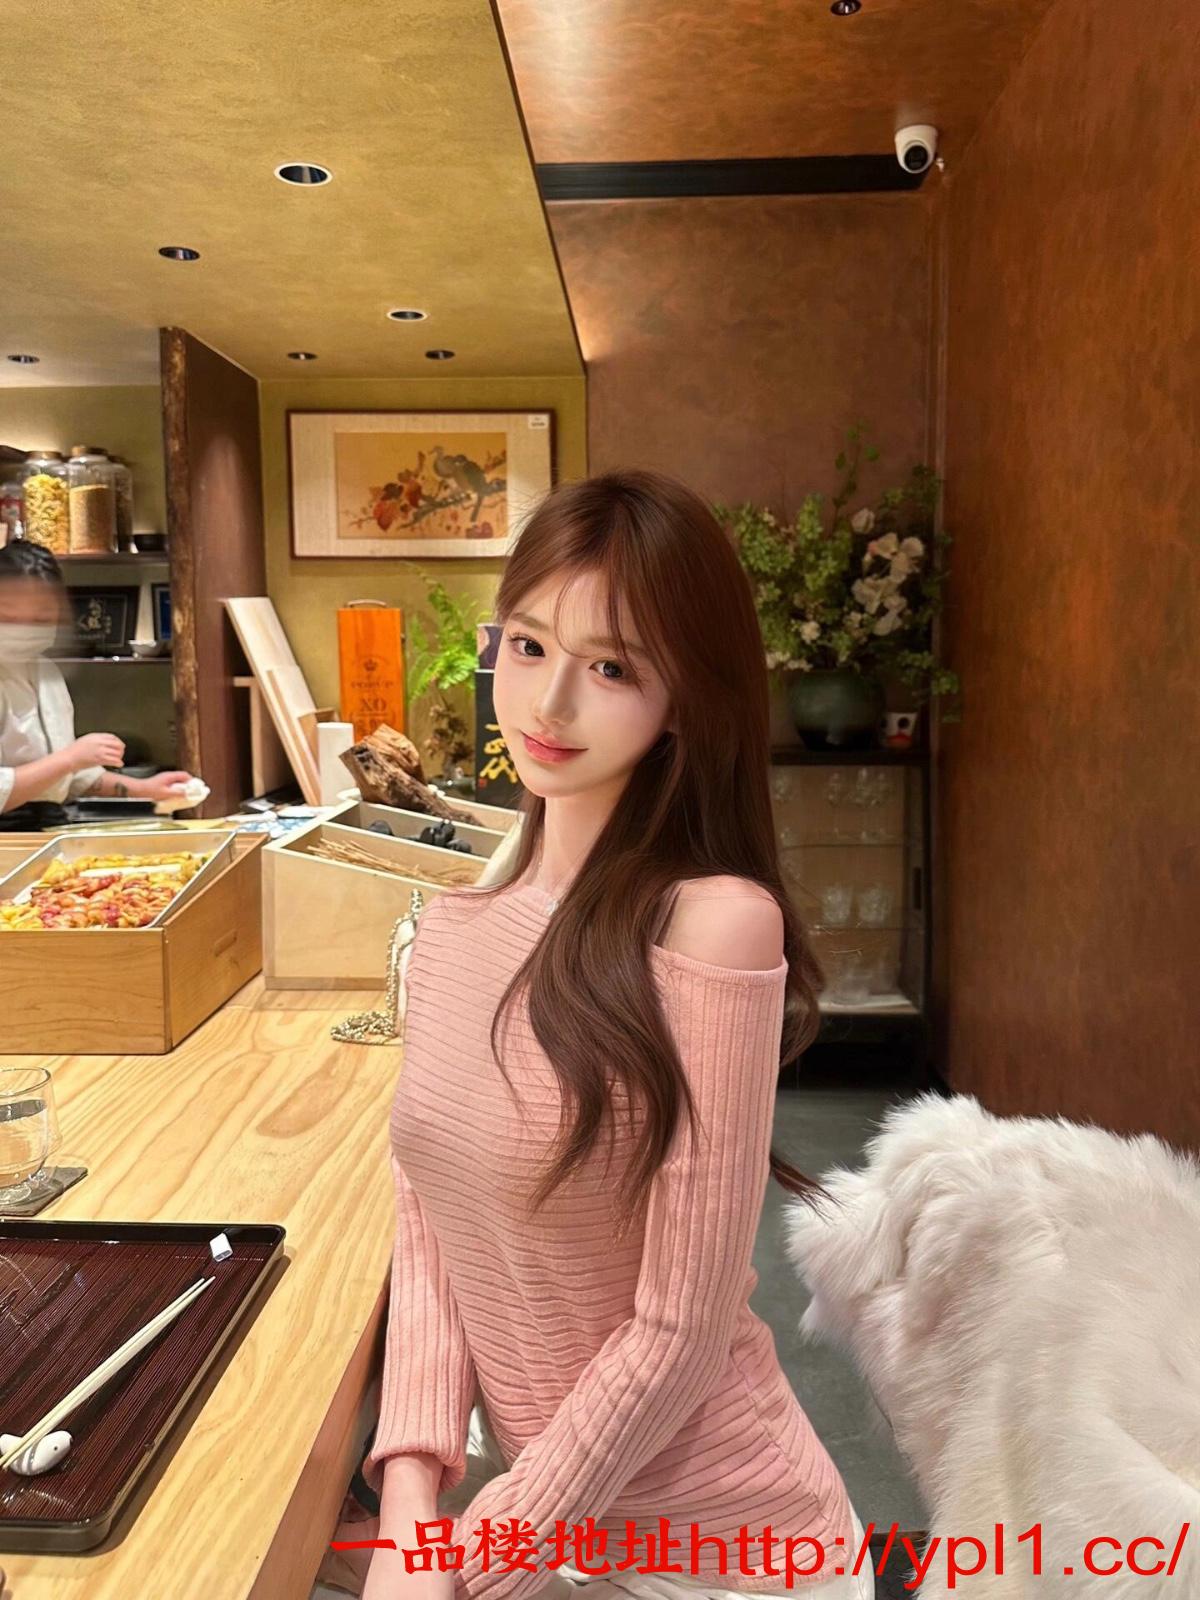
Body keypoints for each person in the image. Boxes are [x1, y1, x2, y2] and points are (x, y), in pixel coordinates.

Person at [332, 471, 874, 1600]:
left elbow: (682, 1326)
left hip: (725, 1551)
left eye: (613, 668)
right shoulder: (452, 928)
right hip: (549, 1525)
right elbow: (429, 1226)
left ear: (686, 697)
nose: (550, 703)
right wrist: (412, 1501)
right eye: (529, 646)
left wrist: (476, 1558)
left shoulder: (712, 924)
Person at [0, 540, 194, 829]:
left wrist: (146, 789)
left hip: (50, 825)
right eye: (8, 615)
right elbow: (64, 764)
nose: (25, 628)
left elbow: (73, 777)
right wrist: (71, 757)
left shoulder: (46, 672)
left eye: (41, 617)